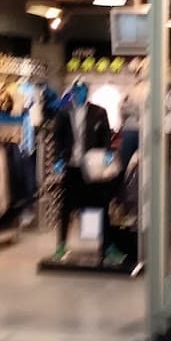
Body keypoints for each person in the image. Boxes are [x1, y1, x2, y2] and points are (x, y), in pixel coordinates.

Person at [51, 80, 114, 263]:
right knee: (66, 208)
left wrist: (107, 153)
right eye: (78, 91)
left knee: (101, 205)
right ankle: (61, 245)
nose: (80, 94)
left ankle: (107, 246)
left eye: (84, 91)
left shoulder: (98, 112)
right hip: (72, 167)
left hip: (92, 168)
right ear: (73, 92)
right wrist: (57, 158)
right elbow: (58, 137)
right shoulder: (64, 112)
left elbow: (106, 135)